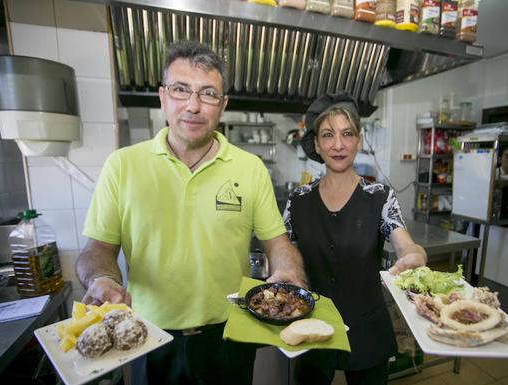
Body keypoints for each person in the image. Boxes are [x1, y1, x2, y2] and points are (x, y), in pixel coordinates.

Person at [75, 41, 306, 385]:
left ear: (223, 105)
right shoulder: (122, 166)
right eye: (181, 89)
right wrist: (102, 279)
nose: (193, 106)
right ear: (163, 96)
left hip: (230, 334)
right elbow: (98, 250)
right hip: (149, 337)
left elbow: (276, 242)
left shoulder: (251, 168)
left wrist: (288, 269)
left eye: (208, 93)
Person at [283, 92, 428, 385]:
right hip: (310, 322)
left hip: (367, 326)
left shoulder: (379, 197)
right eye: (328, 135)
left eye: (347, 134)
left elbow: (403, 241)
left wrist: (415, 255)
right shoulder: (298, 199)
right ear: (316, 144)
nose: (338, 145)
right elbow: (285, 250)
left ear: (358, 141)